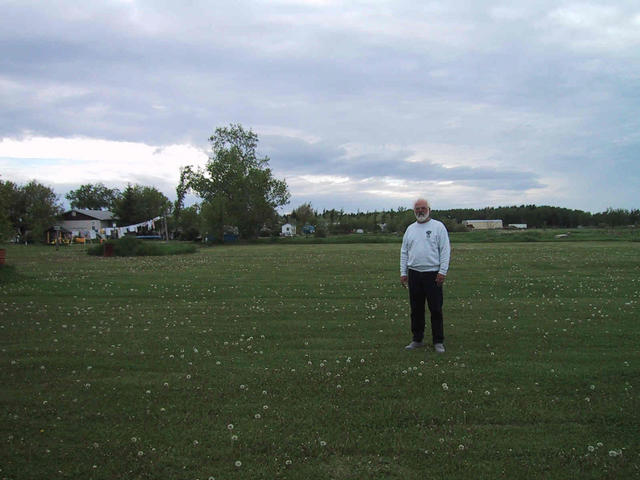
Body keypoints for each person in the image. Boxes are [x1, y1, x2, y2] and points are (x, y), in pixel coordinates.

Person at [400, 197, 451, 353]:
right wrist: (403, 272)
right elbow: (404, 252)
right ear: (414, 211)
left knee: (435, 309)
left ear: (429, 209)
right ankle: (417, 339)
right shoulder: (410, 229)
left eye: (423, 208)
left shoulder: (438, 227)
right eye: (417, 209)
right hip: (414, 273)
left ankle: (438, 341)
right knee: (416, 309)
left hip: (433, 274)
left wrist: (442, 271)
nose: (420, 211)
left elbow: (445, 250)